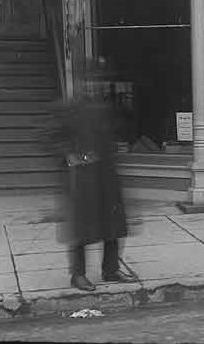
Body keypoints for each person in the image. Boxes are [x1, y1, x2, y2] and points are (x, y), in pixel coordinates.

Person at [53, 64, 135, 292]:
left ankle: (111, 269)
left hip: (106, 174)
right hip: (83, 177)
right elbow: (50, 136)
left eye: (96, 81)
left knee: (112, 223)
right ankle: (77, 274)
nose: (92, 86)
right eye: (88, 81)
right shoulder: (68, 108)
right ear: (79, 83)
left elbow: (121, 131)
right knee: (82, 227)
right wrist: (70, 157)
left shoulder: (106, 107)